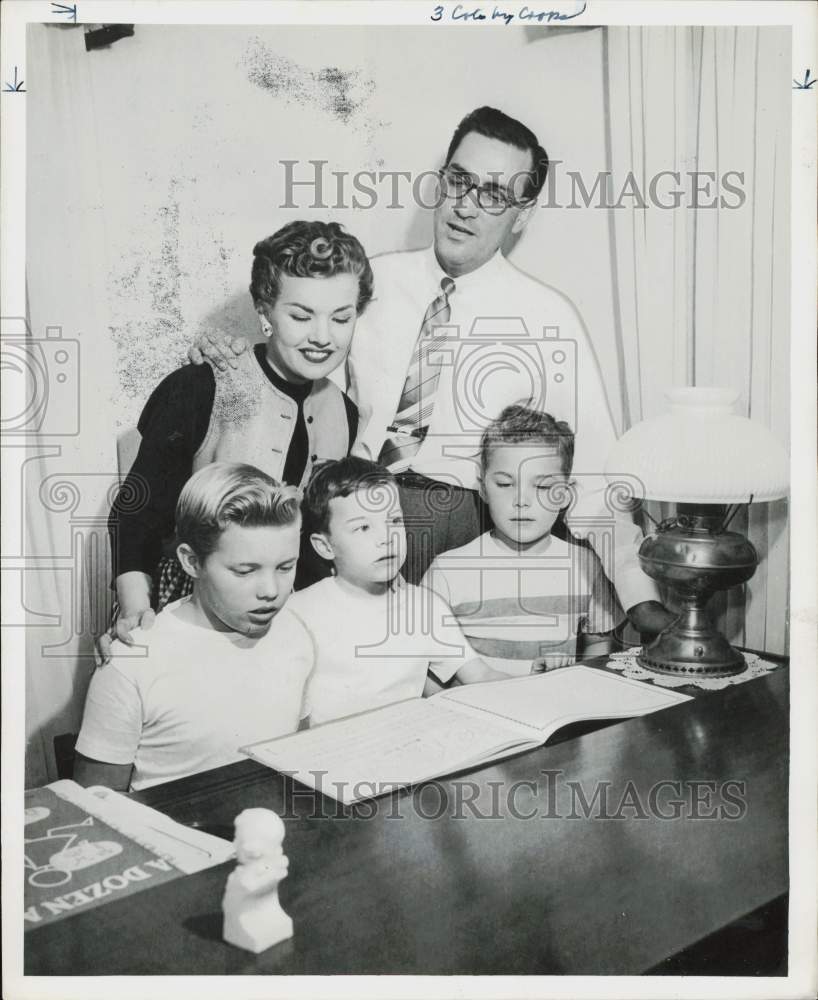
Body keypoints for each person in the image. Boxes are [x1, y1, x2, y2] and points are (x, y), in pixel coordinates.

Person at [189, 107, 675, 639]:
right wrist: (230, 361)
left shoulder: (548, 319)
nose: (465, 206)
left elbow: (596, 481)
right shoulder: (371, 283)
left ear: (522, 215)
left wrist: (640, 599)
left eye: (492, 193)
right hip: (343, 513)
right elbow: (299, 359)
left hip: (459, 530)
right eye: (458, 180)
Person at [106, 220, 372, 653]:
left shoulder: (346, 412)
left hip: (284, 616)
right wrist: (135, 609)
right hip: (188, 609)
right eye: (301, 316)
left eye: (341, 317)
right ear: (265, 311)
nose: (323, 337)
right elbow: (136, 513)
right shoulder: (200, 387)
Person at [75, 463, 311, 791]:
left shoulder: (296, 632)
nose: (271, 590)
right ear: (192, 561)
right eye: (245, 571)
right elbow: (96, 807)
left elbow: (298, 762)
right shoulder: (131, 661)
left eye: (286, 567)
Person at [285, 456, 507, 726]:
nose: (386, 538)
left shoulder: (424, 606)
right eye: (363, 527)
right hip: (328, 758)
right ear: (325, 546)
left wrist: (545, 684)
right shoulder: (299, 613)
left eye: (394, 521)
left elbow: (481, 676)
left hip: (407, 750)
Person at [422, 404, 622, 677]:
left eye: (541, 486)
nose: (521, 501)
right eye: (505, 484)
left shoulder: (586, 565)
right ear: (482, 487)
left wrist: (573, 676)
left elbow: (599, 645)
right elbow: (422, 668)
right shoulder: (448, 571)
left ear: (564, 494)